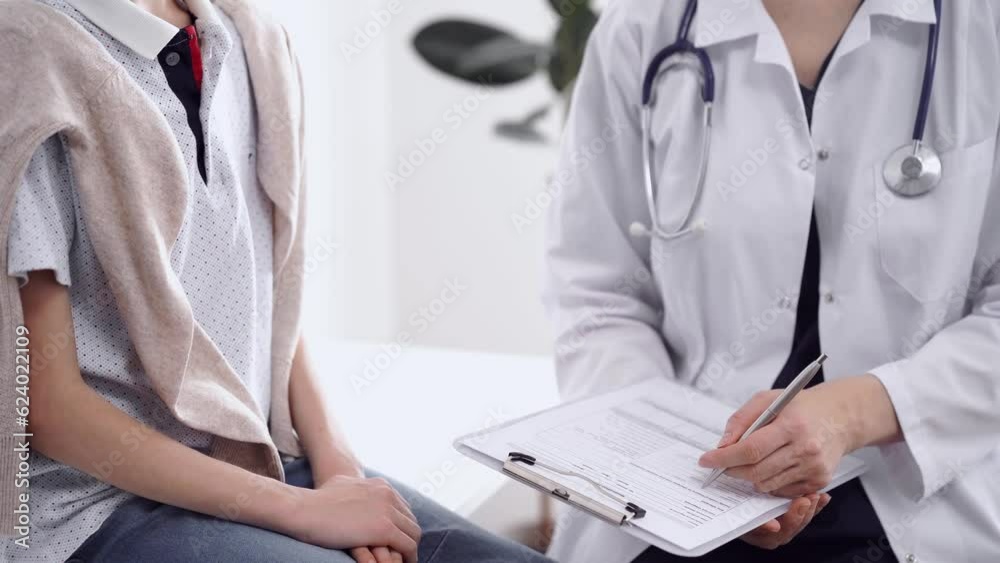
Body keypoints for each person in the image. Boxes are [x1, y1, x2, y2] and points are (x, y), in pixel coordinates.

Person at [0, 1, 552, 563]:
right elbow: (45, 406)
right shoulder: (27, 52)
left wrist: (339, 472)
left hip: (258, 457)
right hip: (93, 510)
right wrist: (303, 512)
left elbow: (266, 310)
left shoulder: (247, 37)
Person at [543, 0, 999, 562]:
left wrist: (853, 413)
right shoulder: (641, 29)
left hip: (916, 494)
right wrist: (662, 466)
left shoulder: (983, 27)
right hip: (682, 494)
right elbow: (597, 294)